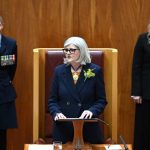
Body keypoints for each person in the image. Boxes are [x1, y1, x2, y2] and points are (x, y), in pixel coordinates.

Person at [48, 36, 107, 144]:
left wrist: (91, 111)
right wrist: (56, 112)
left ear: (81, 51)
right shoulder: (58, 71)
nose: (68, 53)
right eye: (66, 50)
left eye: (72, 50)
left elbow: (101, 101)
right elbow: (52, 101)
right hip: (64, 128)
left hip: (87, 128)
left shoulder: (95, 71)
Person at [131, 23, 150, 150]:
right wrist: (136, 91)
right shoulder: (143, 39)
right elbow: (136, 66)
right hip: (146, 91)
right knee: (145, 127)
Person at [0, 16, 18, 150]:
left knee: (2, 132)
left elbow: (12, 68)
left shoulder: (11, 43)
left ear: (1, 25)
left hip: (3, 91)